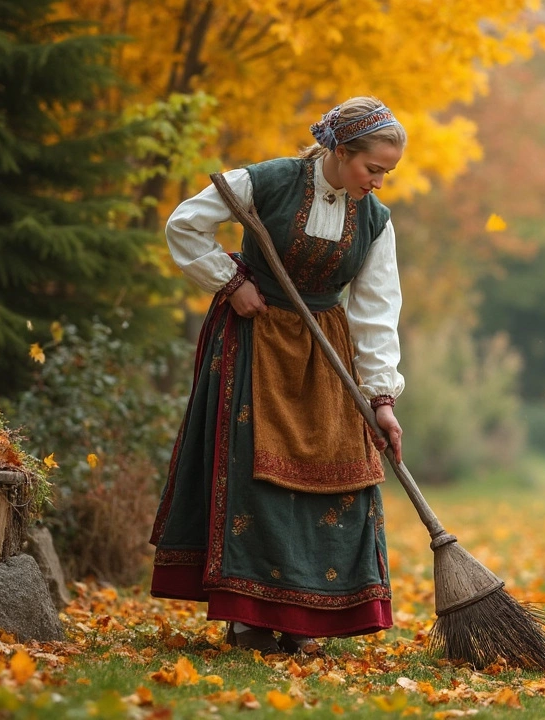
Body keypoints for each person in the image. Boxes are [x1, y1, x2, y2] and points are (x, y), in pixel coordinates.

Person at [149, 97, 407, 655]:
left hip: (325, 357)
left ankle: (304, 618)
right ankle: (249, 620)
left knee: (332, 475)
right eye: (373, 169)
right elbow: (185, 225)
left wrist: (381, 396)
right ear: (341, 151)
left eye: (387, 173)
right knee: (256, 476)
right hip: (255, 338)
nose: (379, 183)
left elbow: (376, 310)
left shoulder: (375, 221)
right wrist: (229, 280)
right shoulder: (267, 181)